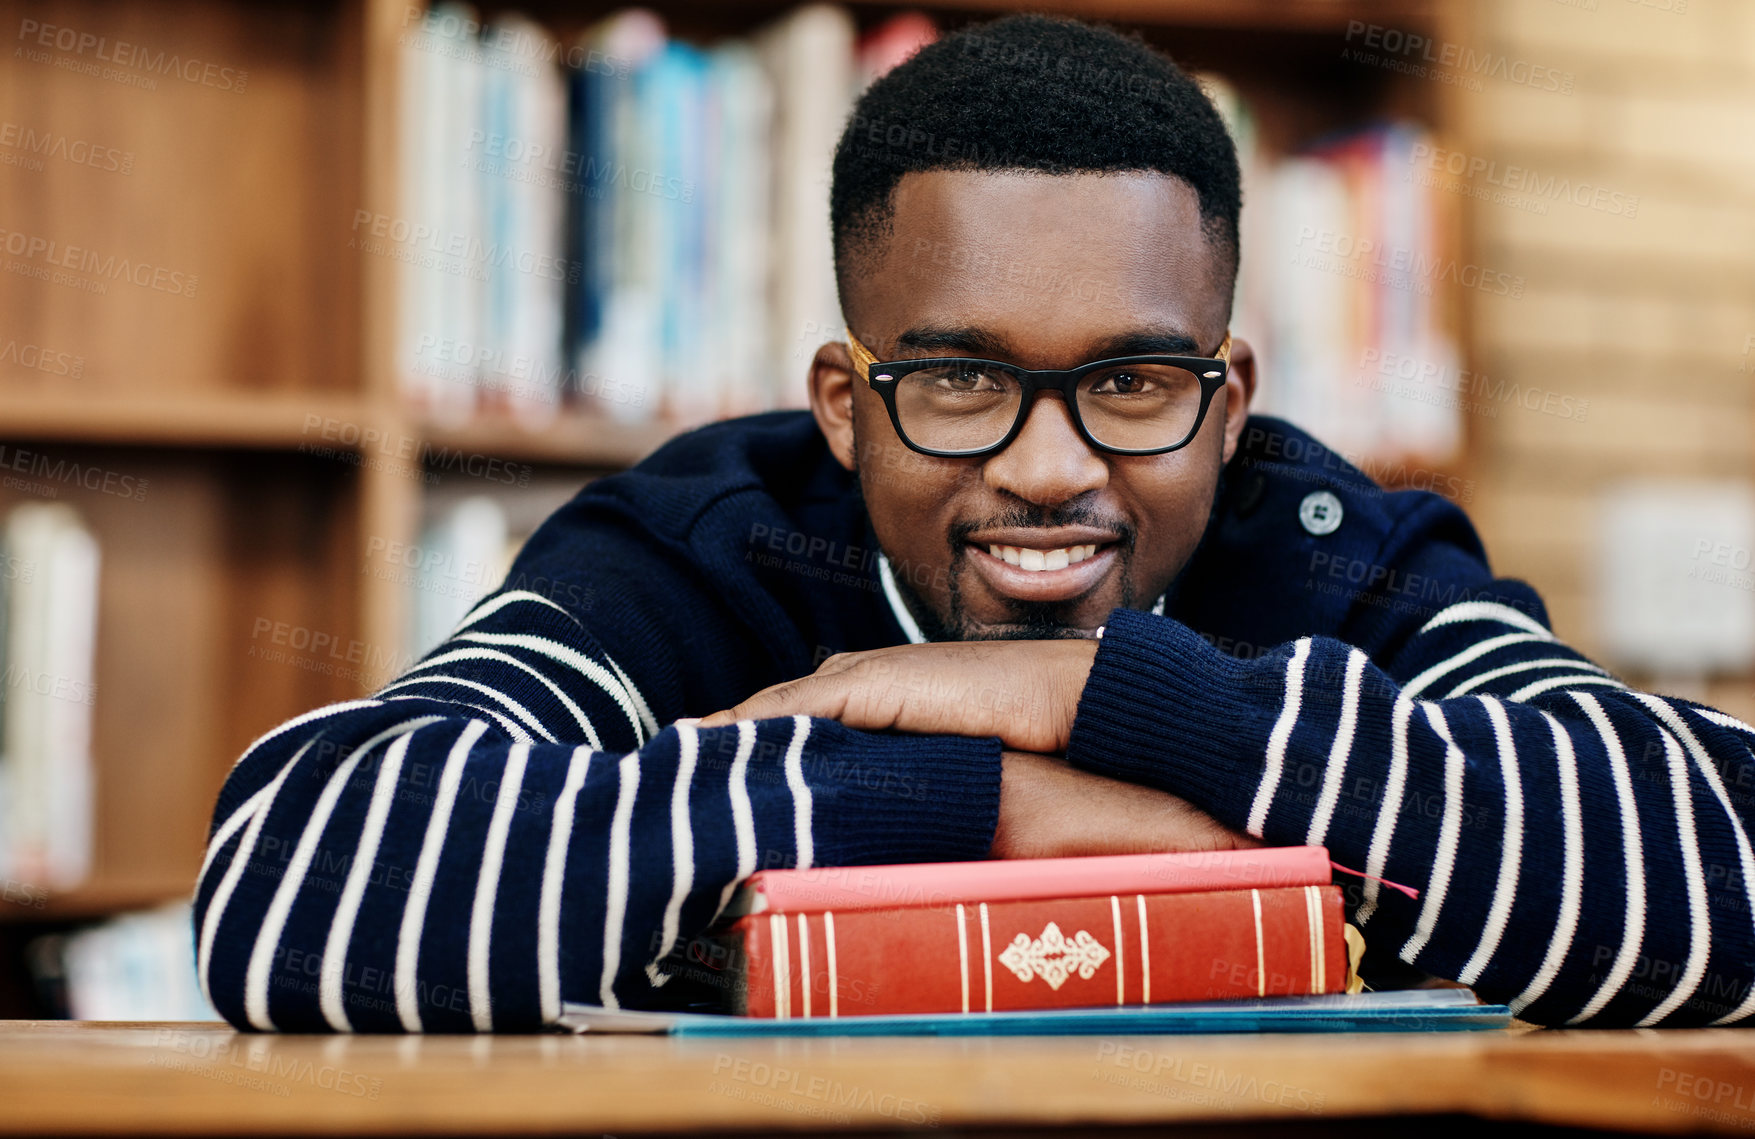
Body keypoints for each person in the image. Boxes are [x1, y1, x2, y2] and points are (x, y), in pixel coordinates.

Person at [196, 14, 1755, 1032]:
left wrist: (1101, 696)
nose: (1051, 468)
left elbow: (1733, 867)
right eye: (955, 381)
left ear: (1230, 402)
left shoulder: (1340, 544)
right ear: (843, 402)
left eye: (1135, 382)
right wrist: (952, 798)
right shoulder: (699, 544)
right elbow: (295, 875)